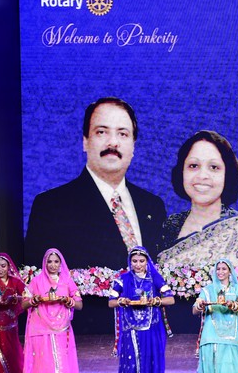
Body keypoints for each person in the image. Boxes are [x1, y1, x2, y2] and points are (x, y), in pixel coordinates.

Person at [25, 97, 166, 270]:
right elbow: (39, 279)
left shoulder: (153, 206)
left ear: (133, 146)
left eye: (122, 134)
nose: (113, 142)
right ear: (85, 141)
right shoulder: (51, 206)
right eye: (101, 132)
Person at [158, 130, 238, 269]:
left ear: (227, 175)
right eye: (193, 166)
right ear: (182, 172)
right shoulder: (169, 227)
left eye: (214, 167)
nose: (202, 175)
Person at [109, 246, 174, 373]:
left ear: (147, 262)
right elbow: (111, 302)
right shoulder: (123, 279)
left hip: (151, 328)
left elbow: (170, 299)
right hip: (130, 329)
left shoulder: (155, 278)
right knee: (131, 363)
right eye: (134, 261)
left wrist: (156, 301)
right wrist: (121, 301)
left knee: (149, 362)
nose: (138, 264)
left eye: (141, 261)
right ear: (130, 262)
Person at [20, 248, 83, 373]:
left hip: (61, 328)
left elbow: (79, 304)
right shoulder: (36, 281)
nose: (53, 265)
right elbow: (23, 304)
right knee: (44, 365)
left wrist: (70, 301)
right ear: (44, 263)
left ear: (61, 263)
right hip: (40, 328)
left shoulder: (67, 281)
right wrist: (33, 300)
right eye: (49, 261)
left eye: (56, 261)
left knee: (61, 364)